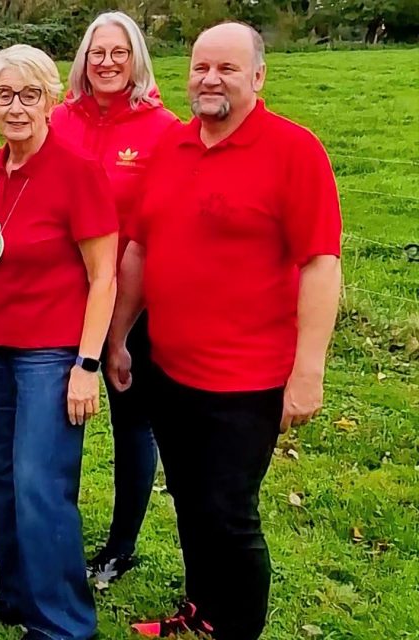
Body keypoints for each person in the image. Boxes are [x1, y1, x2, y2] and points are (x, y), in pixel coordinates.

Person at [116, 23, 341, 639]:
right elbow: (138, 250)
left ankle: (235, 627)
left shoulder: (294, 152)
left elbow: (321, 263)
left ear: (258, 77)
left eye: (228, 69)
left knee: (228, 514)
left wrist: (308, 370)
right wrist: (118, 336)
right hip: (171, 368)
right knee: (190, 503)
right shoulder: (172, 147)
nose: (210, 79)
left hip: (248, 380)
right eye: (200, 67)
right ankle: (201, 611)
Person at [0, 45, 118, 640]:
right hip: (0, 350)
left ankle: (62, 623)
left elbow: (103, 275)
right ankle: (18, 596)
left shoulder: (77, 172)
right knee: (2, 478)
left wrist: (87, 363)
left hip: (54, 355)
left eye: (30, 95)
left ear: (52, 100)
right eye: (5, 94)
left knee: (40, 484)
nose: (16, 107)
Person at [50, 10, 182, 583]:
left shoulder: (163, 129)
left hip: (133, 300)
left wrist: (123, 327)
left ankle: (121, 545)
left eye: (118, 53)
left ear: (136, 61)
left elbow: (161, 228)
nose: (106, 63)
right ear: (83, 58)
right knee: (58, 414)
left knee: (132, 421)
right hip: (62, 295)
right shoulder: (59, 120)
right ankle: (55, 531)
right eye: (97, 52)